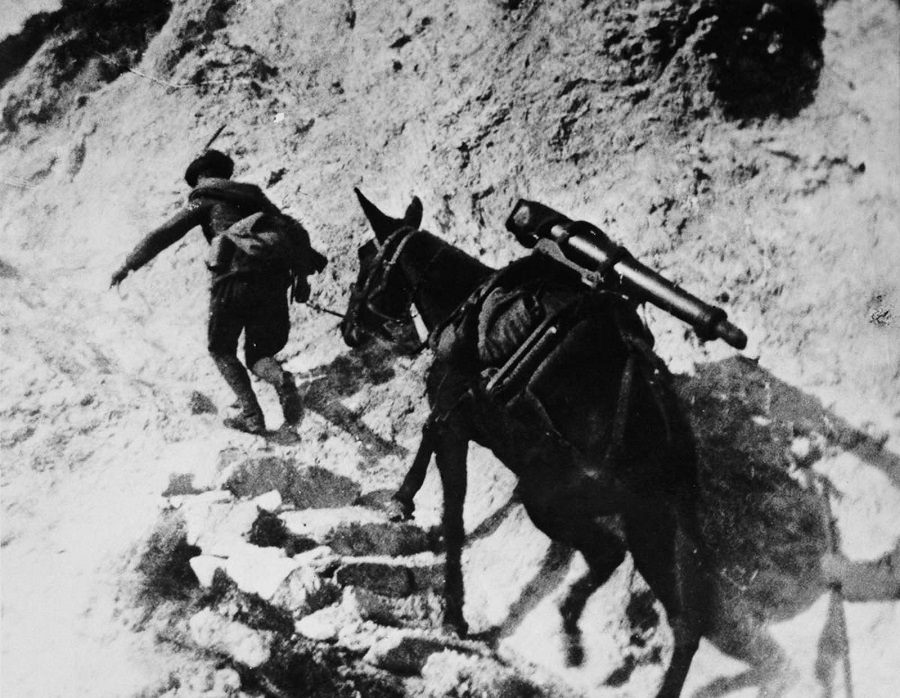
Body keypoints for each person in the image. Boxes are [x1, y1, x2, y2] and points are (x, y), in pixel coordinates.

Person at [110, 149, 326, 435]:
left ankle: (252, 417)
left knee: (221, 348)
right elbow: (292, 235)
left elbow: (163, 234)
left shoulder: (203, 200)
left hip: (233, 279)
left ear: (200, 176)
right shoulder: (256, 198)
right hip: (273, 280)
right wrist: (302, 278)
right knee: (258, 354)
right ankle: (281, 379)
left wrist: (128, 265)